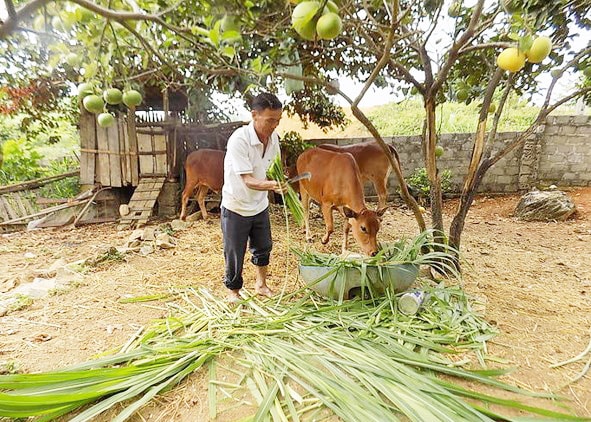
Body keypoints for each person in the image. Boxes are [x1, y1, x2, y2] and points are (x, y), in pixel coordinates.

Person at [220, 92, 286, 302]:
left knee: (263, 246)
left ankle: (261, 284)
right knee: (234, 251)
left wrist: (281, 180)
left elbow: (273, 168)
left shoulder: (274, 138)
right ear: (254, 115)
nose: (274, 125)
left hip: (259, 205)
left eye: (278, 120)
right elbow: (247, 180)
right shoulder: (239, 140)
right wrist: (272, 185)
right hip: (236, 205)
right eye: (270, 120)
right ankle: (233, 291)